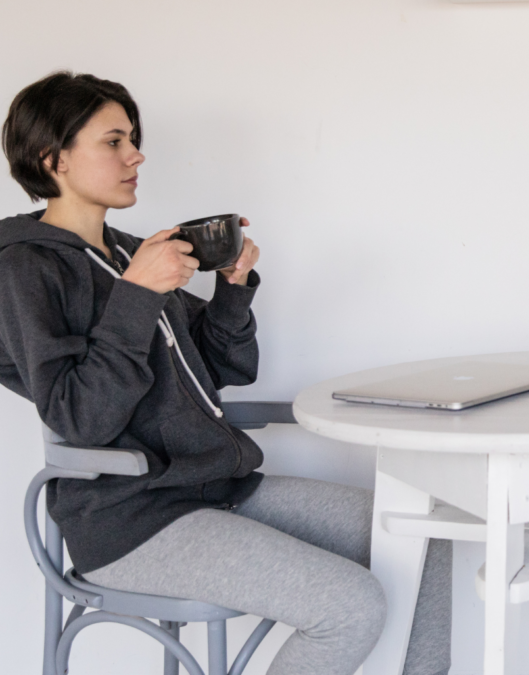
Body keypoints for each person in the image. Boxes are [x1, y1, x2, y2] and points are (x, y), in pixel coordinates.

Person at [0, 71, 451, 675]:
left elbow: (221, 369)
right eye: (113, 141)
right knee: (350, 605)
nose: (136, 155)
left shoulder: (132, 253)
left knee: (431, 542)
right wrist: (137, 295)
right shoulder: (25, 269)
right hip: (130, 518)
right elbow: (79, 418)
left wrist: (231, 289)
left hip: (216, 489)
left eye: (133, 138)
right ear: (51, 158)